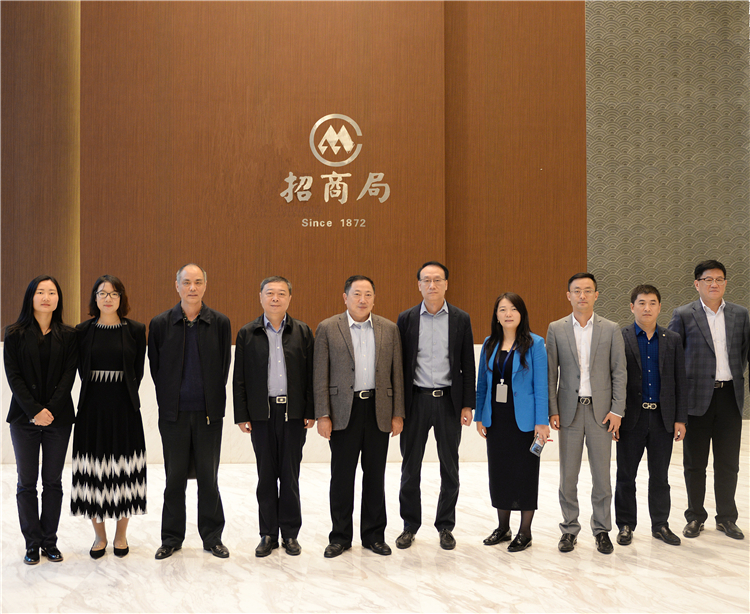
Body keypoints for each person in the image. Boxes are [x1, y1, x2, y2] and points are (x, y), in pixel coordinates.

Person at [313, 275, 405, 558]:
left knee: (375, 476)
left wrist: (398, 413)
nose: (362, 299)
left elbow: (397, 374)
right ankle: (340, 537)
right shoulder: (328, 328)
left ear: (374, 299)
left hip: (378, 410)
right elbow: (320, 375)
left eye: (368, 294)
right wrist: (323, 414)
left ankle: (374, 536)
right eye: (356, 294)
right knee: (342, 477)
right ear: (345, 297)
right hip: (343, 412)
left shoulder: (389, 329)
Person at [148, 263, 232, 559]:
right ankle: (171, 538)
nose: (192, 288)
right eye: (186, 282)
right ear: (177, 285)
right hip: (174, 415)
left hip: (209, 415)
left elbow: (223, 367)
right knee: (174, 479)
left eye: (197, 282)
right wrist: (171, 400)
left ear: (205, 285)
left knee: (209, 479)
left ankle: (212, 537)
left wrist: (212, 401)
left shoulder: (220, 323)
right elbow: (156, 369)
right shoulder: (161, 323)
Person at [233, 276, 315, 557]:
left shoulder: (303, 331)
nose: (275, 298)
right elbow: (239, 378)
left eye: (281, 293)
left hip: (293, 414)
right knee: (266, 476)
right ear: (261, 297)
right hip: (261, 415)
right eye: (270, 293)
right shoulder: (247, 333)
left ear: (290, 298)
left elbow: (311, 375)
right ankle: (268, 534)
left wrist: (310, 411)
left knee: (290, 476)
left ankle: (290, 534)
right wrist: (242, 414)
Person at [395, 261, 475, 550]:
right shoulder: (406, 319)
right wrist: (397, 408)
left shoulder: (460, 318)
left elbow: (467, 363)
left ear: (446, 284)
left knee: (449, 468)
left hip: (448, 403)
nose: (432, 285)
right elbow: (398, 366)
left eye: (437, 280)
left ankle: (445, 526)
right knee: (410, 468)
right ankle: (409, 526)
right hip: (415, 401)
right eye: (426, 280)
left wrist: (467, 405)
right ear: (419, 285)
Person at [668, 260, 749, 540]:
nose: (714, 284)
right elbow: (673, 360)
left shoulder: (740, 314)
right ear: (697, 284)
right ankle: (695, 517)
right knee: (695, 463)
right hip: (696, 399)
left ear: (725, 282)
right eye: (708, 279)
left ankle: (726, 518)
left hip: (729, 397)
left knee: (728, 463)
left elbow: (744, 353)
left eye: (719, 279)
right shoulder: (683, 314)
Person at [547, 272, 626, 554]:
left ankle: (602, 530)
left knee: (602, 476)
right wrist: (552, 409)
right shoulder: (556, 329)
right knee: (568, 476)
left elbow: (619, 372)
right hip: (568, 412)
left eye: (588, 290)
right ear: (568, 295)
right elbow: (550, 373)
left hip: (601, 413)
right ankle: (569, 529)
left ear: (596, 295)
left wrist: (617, 410)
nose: (582, 295)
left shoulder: (611, 329)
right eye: (577, 290)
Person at [71, 275, 147, 559]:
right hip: (92, 410)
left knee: (126, 471)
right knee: (93, 472)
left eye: (114, 293)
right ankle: (99, 536)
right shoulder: (82, 331)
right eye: (102, 293)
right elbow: (80, 369)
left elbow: (137, 371)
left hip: (125, 409)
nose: (108, 298)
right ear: (94, 298)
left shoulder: (135, 330)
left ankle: (121, 535)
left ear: (121, 298)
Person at [4, 275, 77, 565]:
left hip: (59, 419)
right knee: (26, 482)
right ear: (31, 297)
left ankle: (50, 541)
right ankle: (32, 544)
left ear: (59, 298)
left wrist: (51, 410)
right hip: (24, 418)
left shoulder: (69, 335)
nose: (46, 297)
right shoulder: (14, 333)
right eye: (40, 292)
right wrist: (35, 410)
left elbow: (69, 376)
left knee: (53, 482)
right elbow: (13, 377)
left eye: (52, 292)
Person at [475, 293, 549, 552]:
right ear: (496, 315)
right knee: (500, 473)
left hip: (525, 421)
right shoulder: (489, 343)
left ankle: (524, 532)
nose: (508, 314)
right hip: (497, 420)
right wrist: (480, 416)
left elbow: (541, 386)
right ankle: (503, 527)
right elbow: (482, 383)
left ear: (521, 313)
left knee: (525, 474)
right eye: (502, 309)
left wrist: (542, 421)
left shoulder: (535, 343)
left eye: (513, 309)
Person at [616, 285, 687, 547]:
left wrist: (680, 418)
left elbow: (680, 381)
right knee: (626, 476)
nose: (647, 308)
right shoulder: (619, 337)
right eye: (642, 303)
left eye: (652, 303)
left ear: (659, 307)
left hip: (662, 419)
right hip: (630, 419)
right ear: (632, 307)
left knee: (660, 477)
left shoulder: (672, 339)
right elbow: (612, 379)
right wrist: (614, 415)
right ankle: (625, 525)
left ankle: (660, 525)